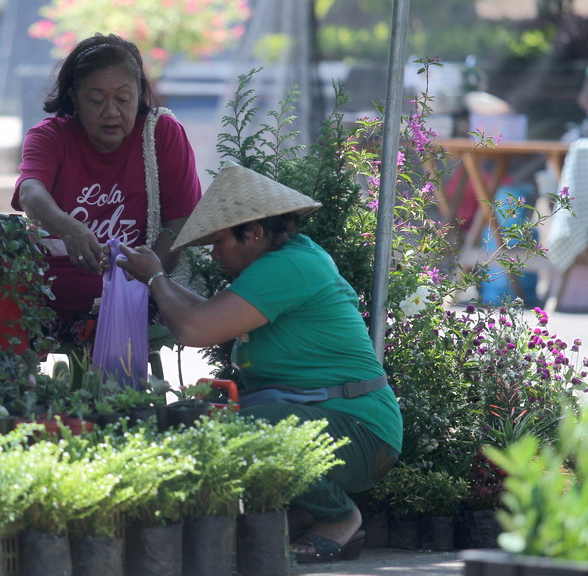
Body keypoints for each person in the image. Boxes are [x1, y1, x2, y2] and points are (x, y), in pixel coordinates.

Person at [117, 163, 403, 563]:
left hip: (362, 432)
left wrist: (155, 279)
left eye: (218, 241)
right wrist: (155, 278)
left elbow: (195, 331)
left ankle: (340, 517)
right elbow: (210, 315)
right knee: (185, 417)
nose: (214, 253)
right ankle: (305, 511)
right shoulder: (278, 263)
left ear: (252, 232)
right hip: (325, 419)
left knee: (245, 430)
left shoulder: (290, 265)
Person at [12, 33, 202, 358]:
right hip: (49, 294)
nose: (111, 112)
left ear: (140, 94)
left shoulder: (163, 134)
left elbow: (181, 222)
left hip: (138, 291)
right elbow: (30, 191)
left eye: (123, 99)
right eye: (96, 100)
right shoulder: (50, 136)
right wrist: (68, 226)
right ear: (74, 96)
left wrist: (143, 279)